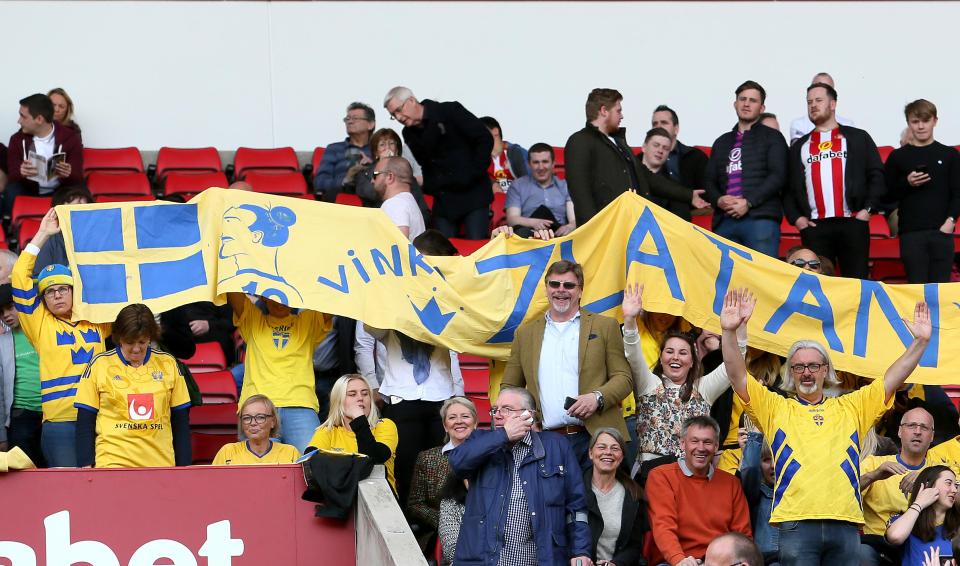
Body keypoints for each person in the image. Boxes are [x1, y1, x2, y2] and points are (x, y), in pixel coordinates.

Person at [720, 288, 932, 565]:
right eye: (798, 367)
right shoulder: (776, 407)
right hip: (795, 521)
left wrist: (921, 342)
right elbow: (737, 376)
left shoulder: (852, 405)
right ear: (790, 373)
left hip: (844, 522)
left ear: (825, 370)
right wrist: (728, 332)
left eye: (813, 365)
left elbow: (894, 377)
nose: (806, 372)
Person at [364, 230, 463, 508]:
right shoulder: (393, 295)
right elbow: (373, 327)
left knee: (442, 476)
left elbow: (460, 338)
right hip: (401, 399)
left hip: (439, 398)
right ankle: (408, 536)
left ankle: (437, 537)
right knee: (403, 473)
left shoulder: (449, 298)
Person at [501, 260, 633, 468]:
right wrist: (526, 419)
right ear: (546, 289)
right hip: (545, 441)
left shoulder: (606, 326)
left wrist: (597, 398)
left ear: (580, 291)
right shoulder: (525, 333)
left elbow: (624, 378)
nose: (561, 290)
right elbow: (509, 388)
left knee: (597, 501)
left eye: (569, 285)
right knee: (552, 501)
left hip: (597, 439)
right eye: (555, 284)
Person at [448, 386, 594, 566]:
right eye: (495, 410)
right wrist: (503, 435)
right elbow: (457, 463)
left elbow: (576, 506)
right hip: (486, 560)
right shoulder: (481, 440)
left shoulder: (557, 446)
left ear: (529, 415)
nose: (498, 415)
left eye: (507, 409)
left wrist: (580, 551)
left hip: (541, 559)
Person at [11, 209, 110, 467]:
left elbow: (111, 282)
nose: (56, 295)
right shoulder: (40, 324)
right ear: (42, 299)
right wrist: (43, 233)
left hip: (103, 417)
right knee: (69, 492)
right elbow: (20, 277)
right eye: (50, 291)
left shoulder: (97, 319)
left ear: (74, 291)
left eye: (63, 289)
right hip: (61, 423)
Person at [623, 284, 749, 462]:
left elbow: (733, 365)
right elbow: (633, 354)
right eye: (669, 352)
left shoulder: (703, 388)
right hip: (654, 476)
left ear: (692, 362)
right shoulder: (648, 384)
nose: (676, 357)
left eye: (683, 353)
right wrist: (629, 319)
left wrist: (736, 329)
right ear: (660, 358)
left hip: (694, 477)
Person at [783, 82, 885, 279]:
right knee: (818, 286)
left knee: (856, 284)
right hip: (815, 227)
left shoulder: (858, 138)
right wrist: (798, 219)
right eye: (809, 102)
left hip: (853, 222)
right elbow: (788, 188)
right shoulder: (799, 146)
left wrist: (868, 210)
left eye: (819, 100)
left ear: (833, 104)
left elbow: (876, 175)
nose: (813, 105)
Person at [74, 303, 191, 468]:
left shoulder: (168, 364)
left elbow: (180, 421)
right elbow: (85, 420)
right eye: (130, 342)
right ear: (119, 337)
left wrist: (184, 467)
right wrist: (85, 465)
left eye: (142, 342)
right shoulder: (99, 365)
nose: (136, 349)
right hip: (113, 465)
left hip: (160, 465)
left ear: (151, 336)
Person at [565, 89, 697, 225]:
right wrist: (593, 229)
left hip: (632, 227)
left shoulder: (619, 143)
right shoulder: (580, 141)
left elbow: (646, 176)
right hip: (606, 229)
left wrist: (688, 194)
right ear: (604, 111)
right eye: (618, 111)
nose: (621, 116)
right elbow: (580, 193)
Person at [227, 291, 332, 454]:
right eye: (273, 295)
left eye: (284, 294)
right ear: (262, 297)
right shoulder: (253, 320)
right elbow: (231, 288)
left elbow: (332, 296)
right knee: (258, 475)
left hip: (301, 404)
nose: (280, 301)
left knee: (311, 468)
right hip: (258, 406)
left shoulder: (309, 321)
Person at [384, 86, 493, 240]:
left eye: (399, 110)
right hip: (444, 200)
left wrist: (472, 173)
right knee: (440, 252)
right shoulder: (408, 133)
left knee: (476, 249)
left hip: (473, 194)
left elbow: (484, 138)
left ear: (411, 101)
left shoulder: (449, 111)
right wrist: (431, 185)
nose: (399, 117)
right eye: (393, 115)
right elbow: (425, 163)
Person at [646, 416, 752, 566]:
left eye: (707, 442)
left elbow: (742, 536)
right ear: (683, 444)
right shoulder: (661, 476)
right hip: (675, 561)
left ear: (716, 447)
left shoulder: (731, 483)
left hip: (721, 562)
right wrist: (679, 560)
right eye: (694, 441)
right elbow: (663, 526)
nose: (701, 448)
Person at [704, 80, 788, 257]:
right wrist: (718, 200)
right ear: (735, 104)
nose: (747, 104)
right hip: (724, 220)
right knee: (727, 282)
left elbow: (778, 176)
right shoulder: (721, 142)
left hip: (760, 220)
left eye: (753, 100)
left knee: (761, 280)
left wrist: (748, 202)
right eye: (742, 99)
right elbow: (709, 180)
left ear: (762, 108)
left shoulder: (773, 138)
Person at [884, 99, 960, 283]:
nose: (920, 126)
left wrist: (950, 222)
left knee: (940, 292)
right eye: (915, 121)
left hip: (942, 232)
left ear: (935, 121)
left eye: (925, 121)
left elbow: (958, 193)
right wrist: (907, 183)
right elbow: (886, 196)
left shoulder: (949, 155)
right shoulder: (897, 156)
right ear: (908, 123)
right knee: (916, 290)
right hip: (911, 234)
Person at [860, 407, 937, 566]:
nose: (917, 431)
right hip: (877, 544)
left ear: (932, 436)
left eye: (924, 427)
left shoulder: (940, 471)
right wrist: (873, 476)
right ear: (900, 432)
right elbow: (844, 493)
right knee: (862, 554)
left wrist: (930, 477)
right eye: (911, 426)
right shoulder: (874, 463)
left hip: (922, 545)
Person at [306, 374, 399, 493]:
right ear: (339, 401)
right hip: (340, 500)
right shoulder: (327, 431)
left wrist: (359, 421)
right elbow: (311, 463)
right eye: (352, 394)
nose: (360, 398)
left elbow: (374, 460)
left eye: (365, 394)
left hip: (379, 499)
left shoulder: (385, 425)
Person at [4, 94, 84, 220]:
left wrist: (69, 173)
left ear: (39, 119)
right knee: (11, 190)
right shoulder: (17, 140)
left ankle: (80, 231)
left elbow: (78, 176)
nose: (19, 121)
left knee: (82, 192)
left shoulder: (70, 138)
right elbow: (12, 175)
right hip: (29, 189)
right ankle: (11, 231)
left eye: (23, 116)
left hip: (60, 190)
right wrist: (21, 172)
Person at [407, 397, 477, 537]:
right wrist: (447, 521)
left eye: (465, 416)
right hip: (440, 536)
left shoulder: (490, 456)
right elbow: (415, 504)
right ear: (445, 426)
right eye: (452, 417)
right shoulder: (427, 458)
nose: (459, 421)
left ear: (475, 423)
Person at [584, 427, 647, 566]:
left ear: (622, 456)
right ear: (590, 453)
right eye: (601, 447)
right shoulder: (576, 490)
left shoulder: (634, 495)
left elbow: (634, 546)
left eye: (615, 448)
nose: (608, 452)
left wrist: (615, 563)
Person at [1, 282, 44, 466]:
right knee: (24, 476)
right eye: (0, 312)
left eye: (10, 307)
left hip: (53, 414)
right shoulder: (2, 342)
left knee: (58, 472)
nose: (5, 315)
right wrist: (2, 435)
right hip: (20, 416)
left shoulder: (45, 330)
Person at [885, 465, 960, 566]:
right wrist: (919, 503)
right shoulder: (905, 520)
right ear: (928, 486)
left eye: (956, 486)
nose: (954, 490)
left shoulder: (957, 527)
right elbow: (895, 536)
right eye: (948, 483)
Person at [354, 128, 430, 219]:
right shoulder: (365, 173)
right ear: (376, 152)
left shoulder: (407, 175)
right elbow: (369, 193)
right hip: (376, 221)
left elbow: (420, 206)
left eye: (392, 143)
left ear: (397, 150)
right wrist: (383, 166)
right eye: (382, 145)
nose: (388, 148)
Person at [505, 143, 577, 237]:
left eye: (545, 161)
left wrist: (570, 227)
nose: (541, 167)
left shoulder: (565, 186)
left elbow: (573, 219)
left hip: (558, 234)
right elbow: (512, 219)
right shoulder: (517, 185)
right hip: (528, 234)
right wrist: (534, 223)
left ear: (553, 164)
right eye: (536, 162)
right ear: (529, 164)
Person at [640, 127, 708, 221]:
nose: (660, 150)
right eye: (656, 145)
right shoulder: (626, 170)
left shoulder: (676, 189)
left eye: (665, 148)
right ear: (644, 147)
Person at [212, 394, 300, 465]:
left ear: (273, 422)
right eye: (246, 418)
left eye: (260, 417)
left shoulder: (290, 453)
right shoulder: (228, 452)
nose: (253, 423)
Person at [313, 102, 375, 201]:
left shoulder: (377, 149)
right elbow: (319, 182)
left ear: (370, 124)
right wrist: (346, 179)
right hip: (340, 199)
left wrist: (372, 166)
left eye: (355, 118)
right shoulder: (334, 149)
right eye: (347, 119)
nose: (349, 122)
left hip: (371, 198)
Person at [32, 185, 94, 275]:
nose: (81, 216)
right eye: (75, 209)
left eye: (85, 210)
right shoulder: (48, 242)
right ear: (58, 214)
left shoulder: (100, 239)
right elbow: (40, 278)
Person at [650, 105, 710, 196]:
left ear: (676, 129)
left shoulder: (696, 156)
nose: (659, 127)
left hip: (691, 208)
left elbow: (708, 190)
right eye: (655, 124)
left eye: (664, 122)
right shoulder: (642, 159)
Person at [739, 430, 779, 563]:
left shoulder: (798, 493)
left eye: (777, 458)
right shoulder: (755, 492)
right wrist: (755, 437)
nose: (773, 465)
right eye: (766, 460)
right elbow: (750, 468)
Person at [788, 73, 855, 144]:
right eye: (817, 86)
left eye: (826, 88)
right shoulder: (799, 124)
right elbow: (798, 151)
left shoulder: (848, 124)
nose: (819, 90)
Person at [372, 155, 425, 240]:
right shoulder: (407, 201)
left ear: (390, 177)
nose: (372, 180)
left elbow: (398, 246)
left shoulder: (395, 203)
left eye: (375, 175)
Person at [480, 116, 528, 193]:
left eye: (479, 132)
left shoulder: (518, 153)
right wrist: (492, 184)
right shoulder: (479, 158)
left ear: (495, 131)